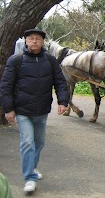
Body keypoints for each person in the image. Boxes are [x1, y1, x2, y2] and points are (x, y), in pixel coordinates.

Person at [0, 29, 69, 193]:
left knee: (39, 143)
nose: (34, 41)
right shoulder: (16, 60)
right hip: (22, 111)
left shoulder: (51, 61)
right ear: (25, 41)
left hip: (42, 110)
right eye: (31, 38)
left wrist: (63, 101)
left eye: (37, 39)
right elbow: (6, 86)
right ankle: (29, 178)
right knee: (27, 142)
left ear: (42, 42)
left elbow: (60, 82)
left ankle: (33, 167)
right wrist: (8, 109)